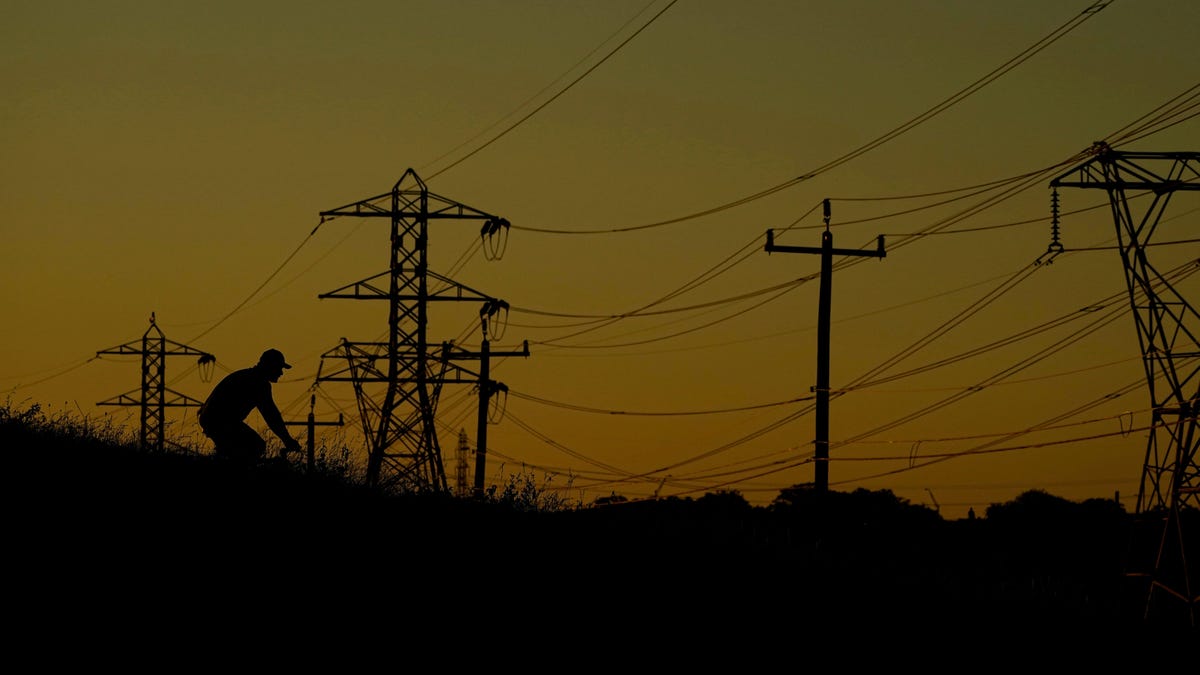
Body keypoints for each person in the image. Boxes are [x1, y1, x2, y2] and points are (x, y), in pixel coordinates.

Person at [199, 348, 302, 465]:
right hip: (220, 421)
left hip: (212, 419)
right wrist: (287, 440)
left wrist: (286, 439)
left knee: (236, 451)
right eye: (279, 368)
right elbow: (271, 416)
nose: (281, 373)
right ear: (270, 366)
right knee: (256, 446)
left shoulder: (246, 375)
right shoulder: (259, 383)